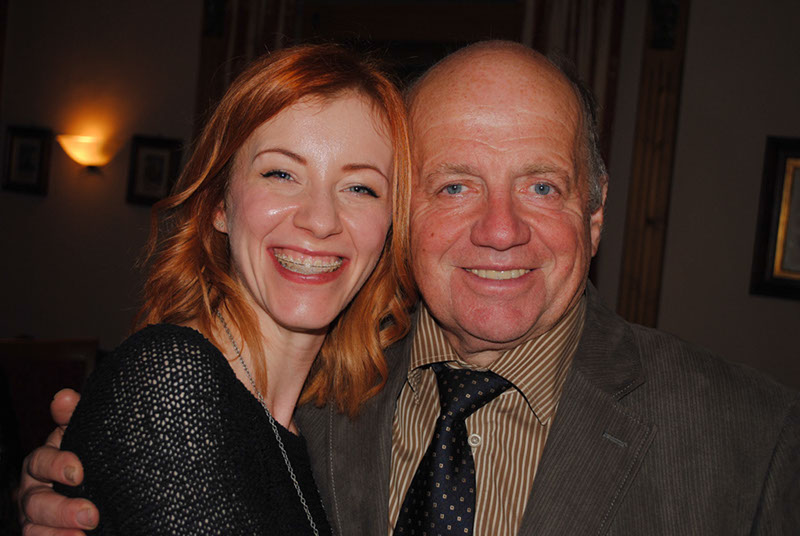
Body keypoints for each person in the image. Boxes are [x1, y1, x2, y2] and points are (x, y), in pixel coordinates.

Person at [19, 41, 800, 535]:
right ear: (407, 216)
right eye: (454, 185)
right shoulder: (303, 395)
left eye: (541, 186)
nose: (500, 230)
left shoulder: (753, 439)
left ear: (595, 218)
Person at [18, 43, 415, 535]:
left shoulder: (315, 425)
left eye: (360, 188)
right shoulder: (171, 379)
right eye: (281, 174)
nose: (320, 219)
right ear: (218, 205)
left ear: (390, 228)